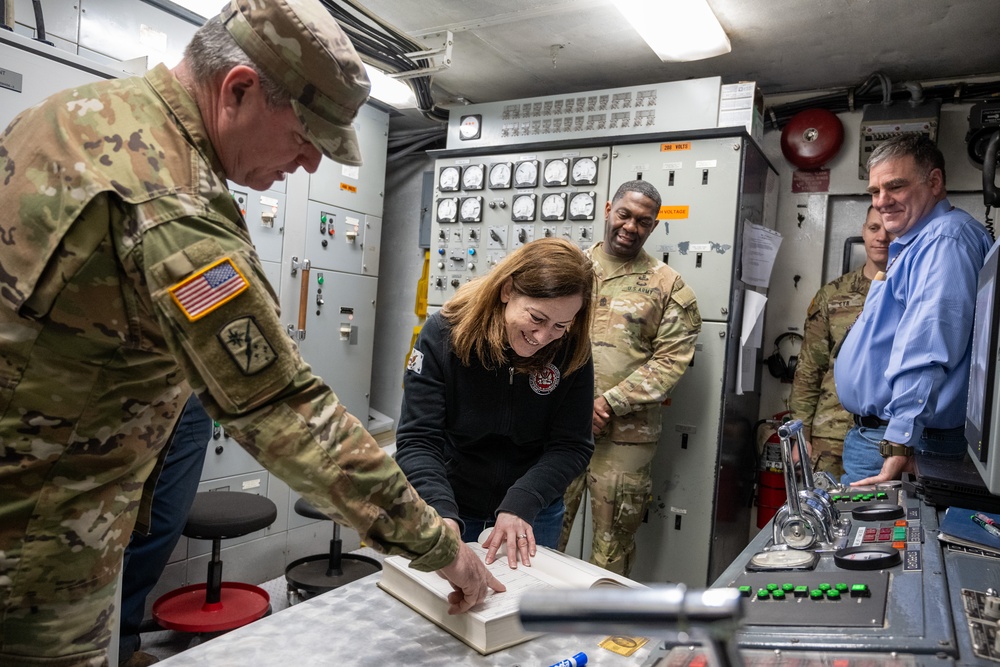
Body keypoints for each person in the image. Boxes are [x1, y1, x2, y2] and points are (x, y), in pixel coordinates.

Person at [0, 2, 502, 665]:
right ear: (236, 91)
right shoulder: (173, 204)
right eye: (303, 140)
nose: (308, 166)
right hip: (34, 551)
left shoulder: (68, 114)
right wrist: (442, 548)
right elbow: (287, 412)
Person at [395, 237, 595, 569]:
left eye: (560, 325)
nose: (544, 337)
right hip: (451, 498)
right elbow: (419, 438)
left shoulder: (572, 348)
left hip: (532, 507)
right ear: (507, 290)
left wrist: (522, 502)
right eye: (536, 317)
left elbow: (572, 445)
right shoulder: (444, 333)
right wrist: (440, 511)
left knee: (521, 607)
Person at [558, 179, 701, 577]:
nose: (630, 226)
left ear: (653, 227)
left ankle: (602, 629)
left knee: (613, 545)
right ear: (608, 209)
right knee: (539, 529)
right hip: (555, 427)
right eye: (624, 214)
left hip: (625, 437)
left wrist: (606, 403)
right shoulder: (568, 269)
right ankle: (528, 623)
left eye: (643, 221)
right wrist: (570, 406)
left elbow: (671, 361)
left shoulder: (668, 286)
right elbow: (534, 340)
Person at [834, 134, 994, 486]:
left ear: (934, 182)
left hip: (904, 444)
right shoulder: (919, 243)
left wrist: (898, 442)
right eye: (874, 192)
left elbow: (927, 349)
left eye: (895, 187)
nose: (882, 202)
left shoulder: (943, 241)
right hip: (889, 437)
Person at [787, 207, 891, 479]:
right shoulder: (833, 295)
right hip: (829, 436)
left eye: (889, 229)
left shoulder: (910, 291)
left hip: (884, 439)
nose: (882, 237)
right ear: (863, 232)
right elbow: (809, 370)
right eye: (873, 228)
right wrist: (800, 435)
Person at [118, 396, 212, 667]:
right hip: (119, 383)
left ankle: (121, 644)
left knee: (162, 525)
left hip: (187, 394)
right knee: (103, 526)